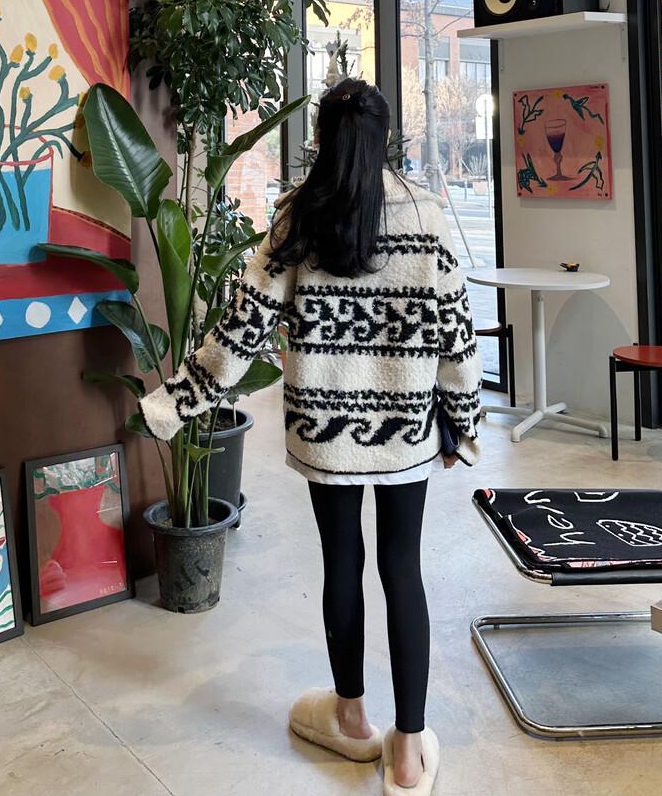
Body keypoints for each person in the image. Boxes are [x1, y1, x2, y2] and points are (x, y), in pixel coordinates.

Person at [139, 77, 482, 795]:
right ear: (386, 138)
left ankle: (352, 721)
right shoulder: (426, 213)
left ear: (322, 138)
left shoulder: (299, 213)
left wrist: (176, 402)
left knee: (341, 563)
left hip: (326, 432)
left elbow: (244, 326)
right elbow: (456, 331)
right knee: (403, 568)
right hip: (404, 430)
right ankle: (408, 754)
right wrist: (463, 420)